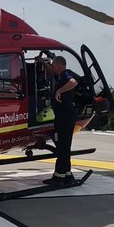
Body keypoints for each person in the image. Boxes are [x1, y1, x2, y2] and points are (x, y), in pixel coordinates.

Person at [43, 56, 79, 187]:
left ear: (58, 65)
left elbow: (73, 82)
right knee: (64, 147)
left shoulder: (66, 75)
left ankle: (59, 178)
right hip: (64, 117)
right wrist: (42, 62)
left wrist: (59, 90)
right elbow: (52, 73)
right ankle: (67, 176)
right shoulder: (60, 76)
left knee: (63, 147)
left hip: (65, 117)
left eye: (53, 65)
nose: (52, 68)